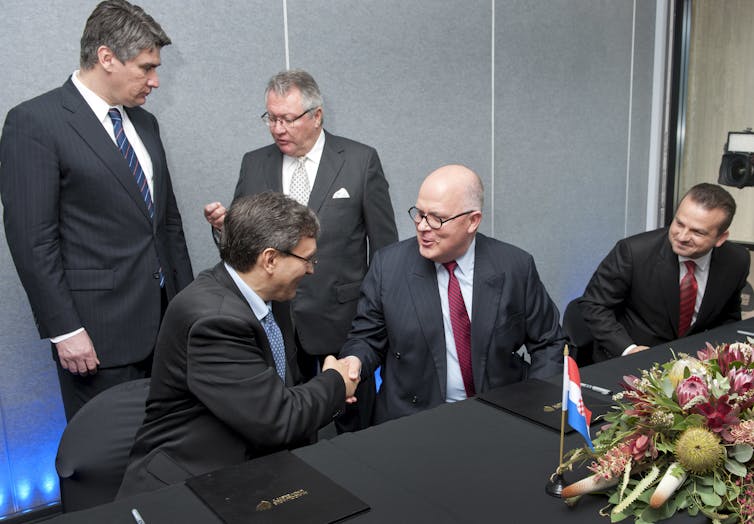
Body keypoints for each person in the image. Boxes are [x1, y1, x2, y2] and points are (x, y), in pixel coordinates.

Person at [0, 0, 193, 421]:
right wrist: (65, 330)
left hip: (166, 328)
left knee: (167, 450)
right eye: (146, 67)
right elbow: (33, 241)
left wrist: (186, 310)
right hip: (96, 337)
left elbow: (167, 224)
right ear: (106, 57)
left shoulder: (144, 124)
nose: (155, 81)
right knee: (107, 463)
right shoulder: (35, 122)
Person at [117, 193, 358, 497]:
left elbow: (278, 392)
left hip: (259, 469)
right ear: (270, 259)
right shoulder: (214, 322)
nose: (311, 270)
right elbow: (278, 419)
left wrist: (324, 394)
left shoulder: (270, 295)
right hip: (192, 484)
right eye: (307, 260)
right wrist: (336, 383)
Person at [204, 69, 397, 429]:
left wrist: (376, 321)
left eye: (287, 119)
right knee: (288, 424)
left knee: (354, 426)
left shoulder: (359, 160)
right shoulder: (254, 162)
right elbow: (241, 248)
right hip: (273, 322)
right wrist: (224, 227)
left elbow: (385, 250)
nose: (278, 128)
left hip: (343, 322)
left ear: (316, 115)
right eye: (271, 118)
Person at [339, 164, 565, 425]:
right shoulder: (388, 267)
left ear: (472, 221)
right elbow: (367, 338)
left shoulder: (514, 266)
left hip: (500, 412)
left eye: (437, 218)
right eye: (419, 214)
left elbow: (550, 343)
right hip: (413, 418)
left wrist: (535, 402)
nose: (423, 226)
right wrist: (354, 361)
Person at [579, 183, 750, 361]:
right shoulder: (633, 252)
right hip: (634, 360)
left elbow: (728, 317)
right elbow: (593, 305)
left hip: (696, 364)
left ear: (720, 238)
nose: (682, 237)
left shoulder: (737, 261)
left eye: (697, 232)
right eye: (679, 223)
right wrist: (629, 350)